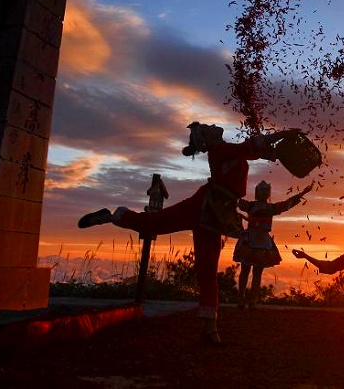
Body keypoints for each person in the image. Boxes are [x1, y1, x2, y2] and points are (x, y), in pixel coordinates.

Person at [77, 122, 300, 345]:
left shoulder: (230, 150)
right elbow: (251, 146)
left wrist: (272, 151)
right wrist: (282, 135)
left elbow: (252, 151)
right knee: (156, 225)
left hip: (215, 214)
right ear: (208, 139)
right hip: (203, 206)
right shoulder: (220, 150)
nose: (213, 125)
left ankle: (210, 329)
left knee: (206, 267)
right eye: (207, 127)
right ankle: (114, 216)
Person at [233, 181, 313, 309]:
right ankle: (241, 298)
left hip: (263, 241)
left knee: (257, 272)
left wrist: (302, 193)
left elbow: (288, 203)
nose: (264, 192)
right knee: (245, 271)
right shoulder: (250, 206)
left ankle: (252, 300)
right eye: (261, 190)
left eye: (266, 190)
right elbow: (236, 200)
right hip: (250, 239)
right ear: (257, 192)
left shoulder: (271, 208)